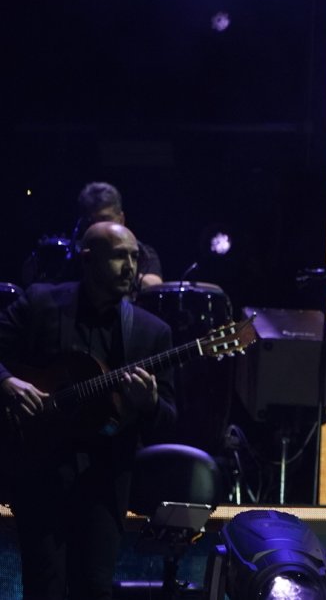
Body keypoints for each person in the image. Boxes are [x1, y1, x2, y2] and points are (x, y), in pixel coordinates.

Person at [0, 222, 177, 599]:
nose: (130, 267)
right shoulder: (41, 304)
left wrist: (148, 404)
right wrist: (6, 382)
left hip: (104, 483)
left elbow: (168, 418)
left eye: (135, 257)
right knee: (43, 589)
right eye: (119, 256)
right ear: (87, 259)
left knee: (94, 590)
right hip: (40, 473)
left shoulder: (151, 332)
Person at [21, 181, 165, 289]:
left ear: (121, 219)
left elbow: (154, 285)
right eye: (92, 222)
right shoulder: (71, 251)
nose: (98, 227)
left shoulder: (140, 251)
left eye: (105, 219)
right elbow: (30, 278)